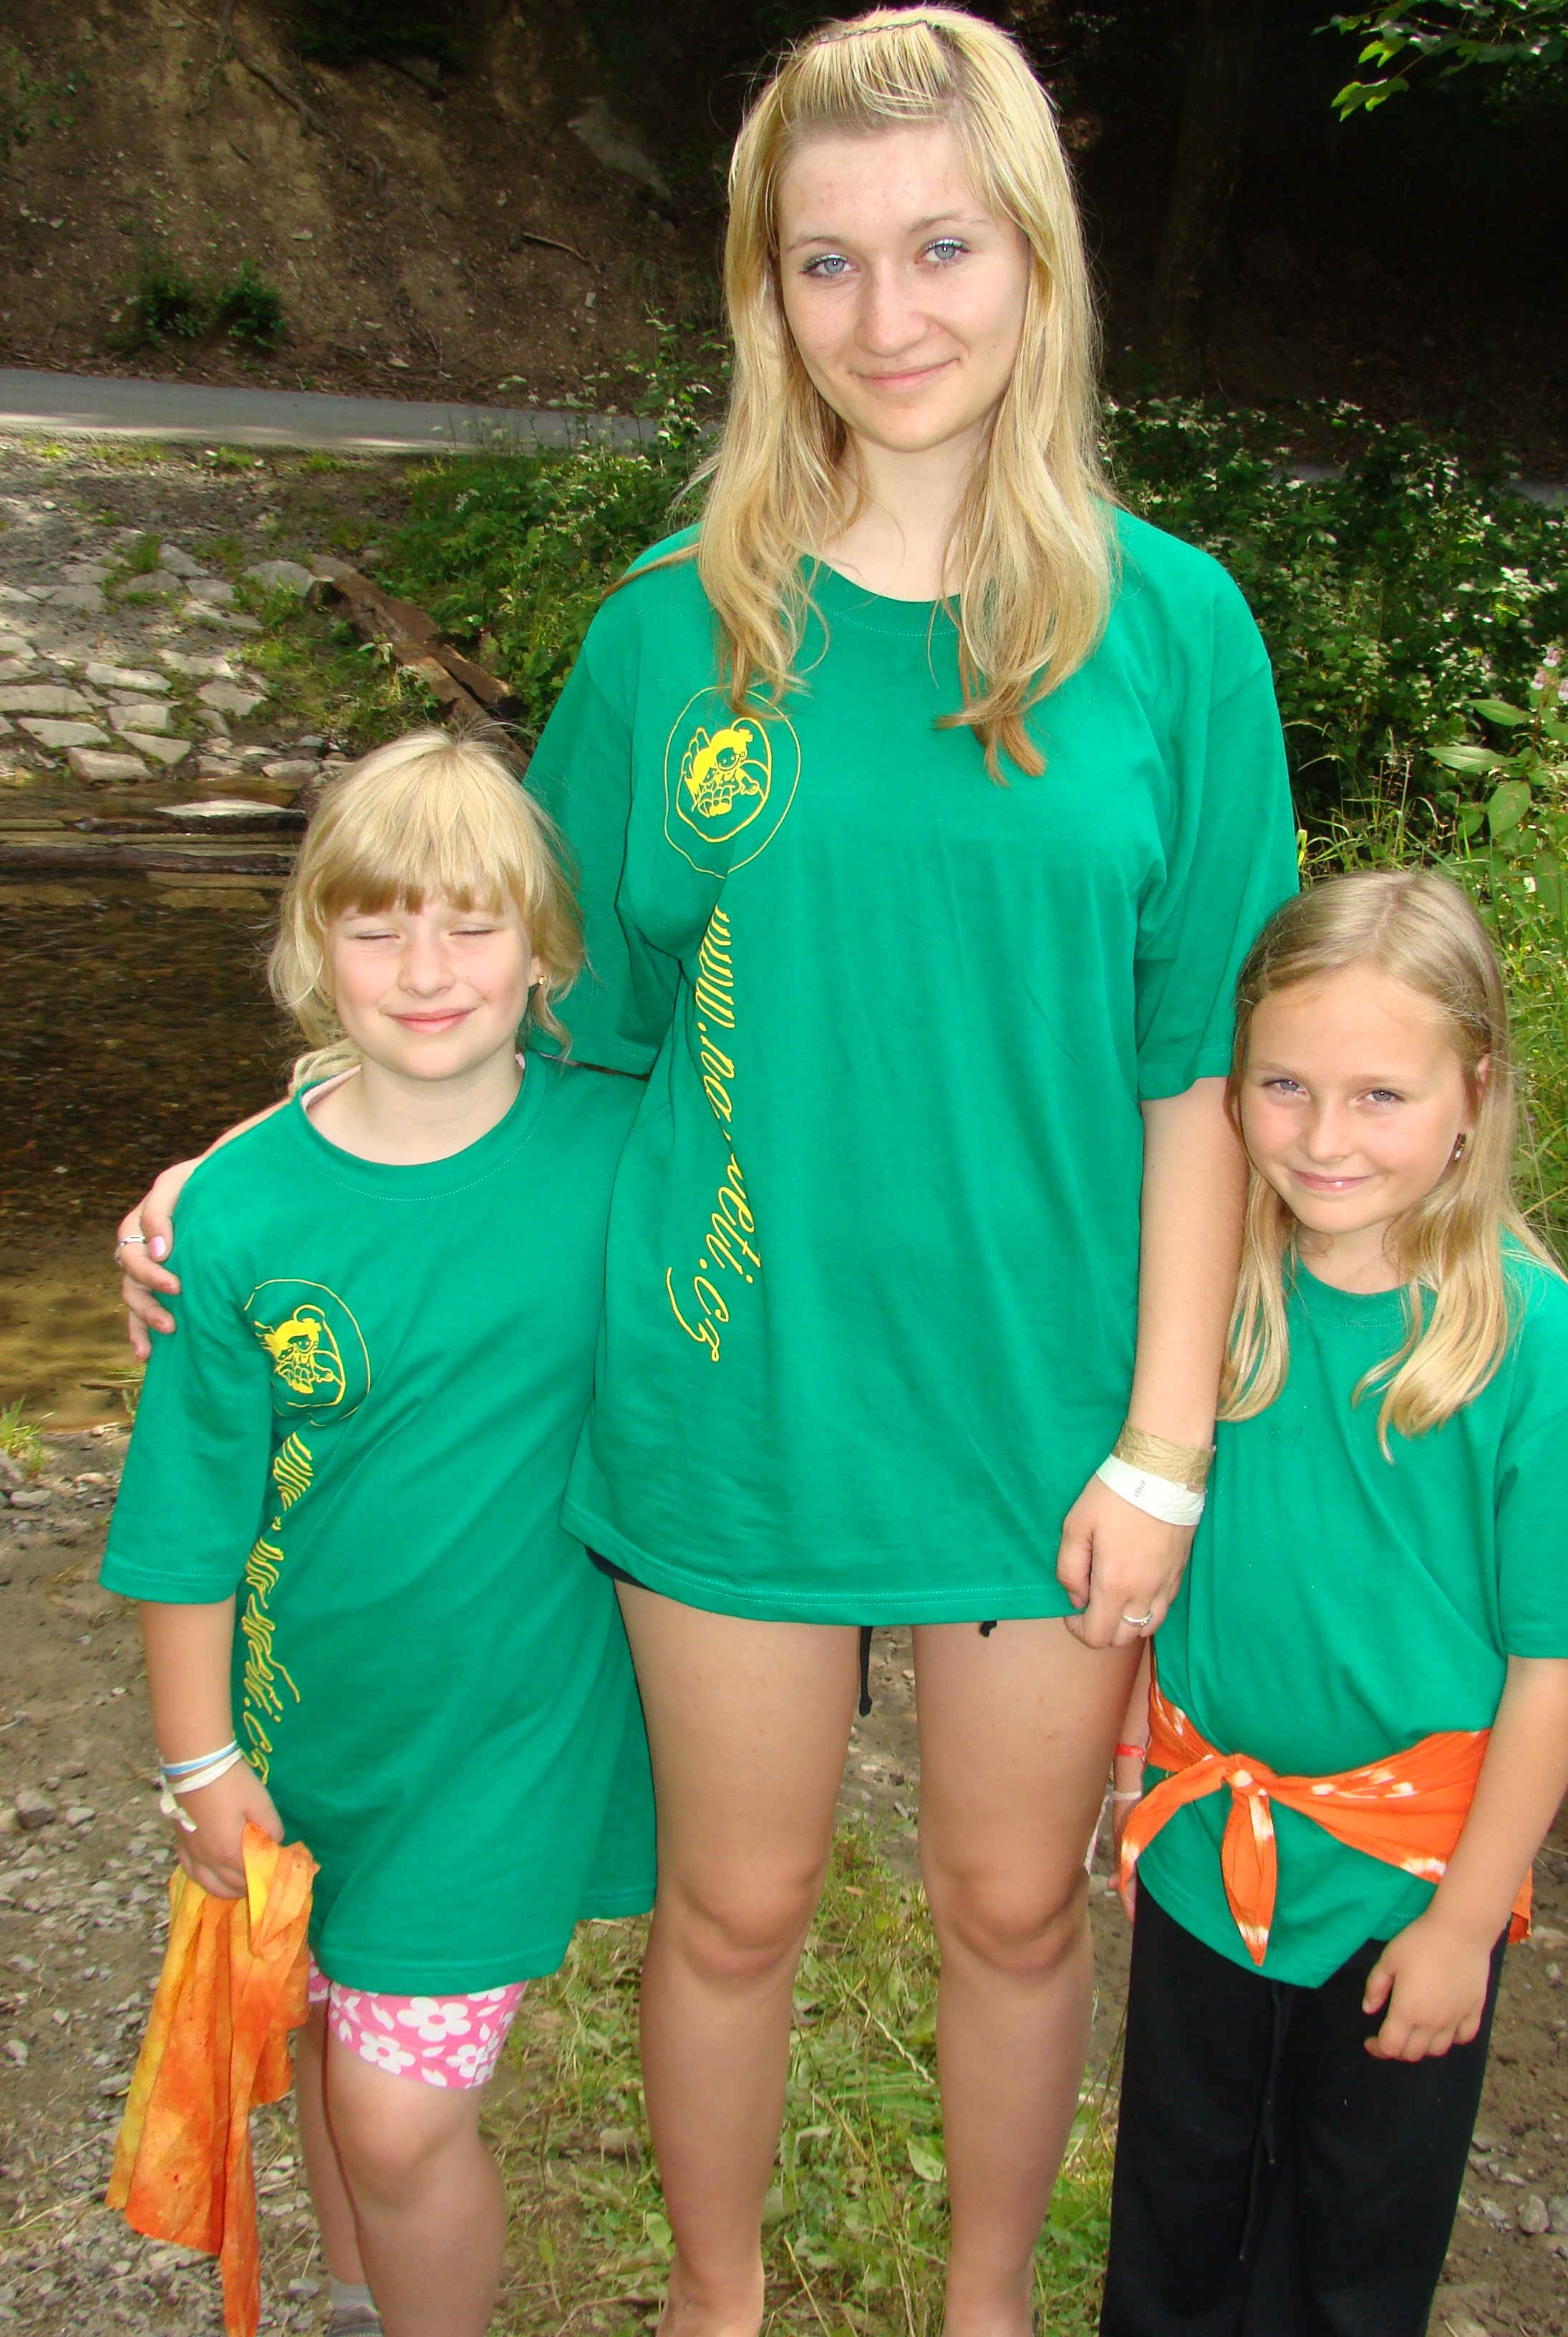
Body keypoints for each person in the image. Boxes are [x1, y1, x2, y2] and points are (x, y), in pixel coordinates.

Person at [118, 13, 1298, 2334]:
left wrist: (1164, 1445)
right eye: (824, 262)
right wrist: (252, 1159)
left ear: (1035, 262)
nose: (888, 316)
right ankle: (716, 2301)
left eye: (941, 248)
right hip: (728, 1395)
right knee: (731, 1909)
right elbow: (524, 1003)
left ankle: (983, 2305)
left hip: (1044, 1406)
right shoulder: (675, 635)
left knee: (1014, 1906)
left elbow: (1199, 1075)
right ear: (763, 293)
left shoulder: (1171, 631)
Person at [102, 732, 655, 2337]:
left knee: (403, 2117)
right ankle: (356, 2299)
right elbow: (187, 1517)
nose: (426, 971)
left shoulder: (624, 1149)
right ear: (310, 947)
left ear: (547, 952)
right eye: (377, 927)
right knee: (327, 2038)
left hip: (508, 1740)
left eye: (474, 926)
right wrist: (199, 1759)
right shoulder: (236, 1213)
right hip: (303, 1728)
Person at [1100, 870, 1568, 2337]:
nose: (1324, 1138)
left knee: (1352, 2254)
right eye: (1284, 1085)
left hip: (1406, 1883)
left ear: (1476, 1093)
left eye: (1380, 1097)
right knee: (1173, 2220)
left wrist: (1466, 1924)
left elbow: (1556, 1667)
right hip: (1209, 1850)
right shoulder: (1213, 1293)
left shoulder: (1530, 1346)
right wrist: (1136, 1763)